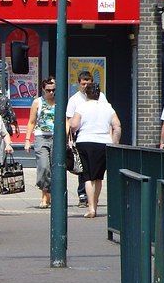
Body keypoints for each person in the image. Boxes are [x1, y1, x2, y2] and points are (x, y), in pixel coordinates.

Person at [69, 82, 121, 219]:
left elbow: (74, 125)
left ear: (86, 94)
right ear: (98, 94)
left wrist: (72, 131)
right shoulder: (108, 107)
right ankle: (95, 204)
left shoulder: (82, 107)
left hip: (85, 142)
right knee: (98, 176)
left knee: (87, 176)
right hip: (103, 143)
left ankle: (91, 207)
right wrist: (114, 142)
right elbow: (117, 126)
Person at [66, 70, 107, 208]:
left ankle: (93, 198)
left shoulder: (101, 97)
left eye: (87, 84)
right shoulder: (74, 100)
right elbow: (69, 121)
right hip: (81, 136)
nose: (85, 86)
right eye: (83, 84)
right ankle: (83, 195)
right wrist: (69, 139)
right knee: (83, 168)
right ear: (79, 84)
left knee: (96, 172)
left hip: (99, 136)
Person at [24, 76, 56, 209]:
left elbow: (66, 121)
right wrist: (27, 140)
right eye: (48, 90)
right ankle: (45, 194)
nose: (51, 93)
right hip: (41, 137)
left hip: (56, 138)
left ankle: (51, 195)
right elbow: (31, 121)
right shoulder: (38, 102)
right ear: (43, 89)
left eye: (53, 90)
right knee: (43, 168)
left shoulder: (60, 101)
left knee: (55, 168)